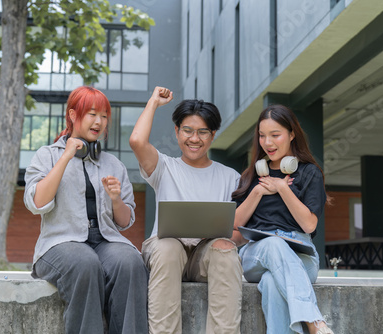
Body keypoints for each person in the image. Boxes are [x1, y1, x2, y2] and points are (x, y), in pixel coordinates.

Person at [24, 86, 149, 334]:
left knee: (131, 262)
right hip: (60, 243)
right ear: (72, 115)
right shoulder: (46, 156)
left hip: (105, 242)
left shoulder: (114, 164)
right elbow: (37, 203)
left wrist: (116, 199)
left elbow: (124, 222)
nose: (99, 122)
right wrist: (66, 155)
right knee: (85, 263)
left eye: (104, 116)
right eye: (92, 114)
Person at [129, 86, 243, 334]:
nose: (194, 139)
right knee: (168, 247)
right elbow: (137, 141)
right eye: (188, 131)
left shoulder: (230, 177)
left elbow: (240, 231)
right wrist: (153, 102)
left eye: (203, 132)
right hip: (167, 254)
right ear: (177, 132)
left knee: (225, 248)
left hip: (206, 257)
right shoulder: (164, 167)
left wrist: (219, 235)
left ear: (213, 135)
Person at [231, 104, 334, 334]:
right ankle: (314, 321)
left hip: (301, 257)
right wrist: (257, 191)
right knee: (274, 244)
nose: (268, 143)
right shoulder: (251, 177)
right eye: (262, 136)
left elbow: (309, 224)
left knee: (271, 282)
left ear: (292, 134)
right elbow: (234, 227)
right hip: (257, 254)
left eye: (275, 135)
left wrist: (282, 188)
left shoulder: (310, 173)